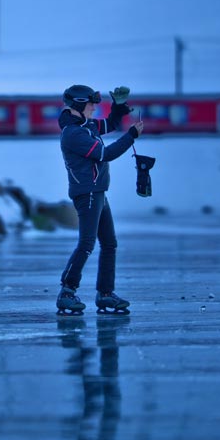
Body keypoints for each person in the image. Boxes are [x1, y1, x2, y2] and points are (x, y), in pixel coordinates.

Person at [56, 85, 143, 315]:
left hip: (98, 192)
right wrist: (131, 136)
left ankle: (105, 294)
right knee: (86, 244)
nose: (95, 107)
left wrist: (118, 107)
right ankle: (67, 292)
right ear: (78, 104)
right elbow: (106, 154)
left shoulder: (87, 126)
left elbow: (112, 124)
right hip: (88, 194)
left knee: (110, 244)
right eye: (91, 103)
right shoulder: (74, 134)